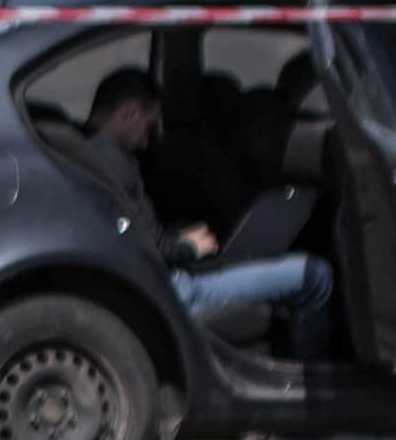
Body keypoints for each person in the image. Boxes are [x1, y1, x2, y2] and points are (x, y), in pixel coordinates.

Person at [98, 66, 332, 352]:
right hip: (176, 289)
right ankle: (312, 385)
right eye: (149, 127)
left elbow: (131, 232)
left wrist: (178, 236)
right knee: (316, 276)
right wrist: (187, 247)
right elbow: (147, 248)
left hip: (159, 279)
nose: (148, 141)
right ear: (130, 112)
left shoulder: (82, 150)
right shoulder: (114, 166)